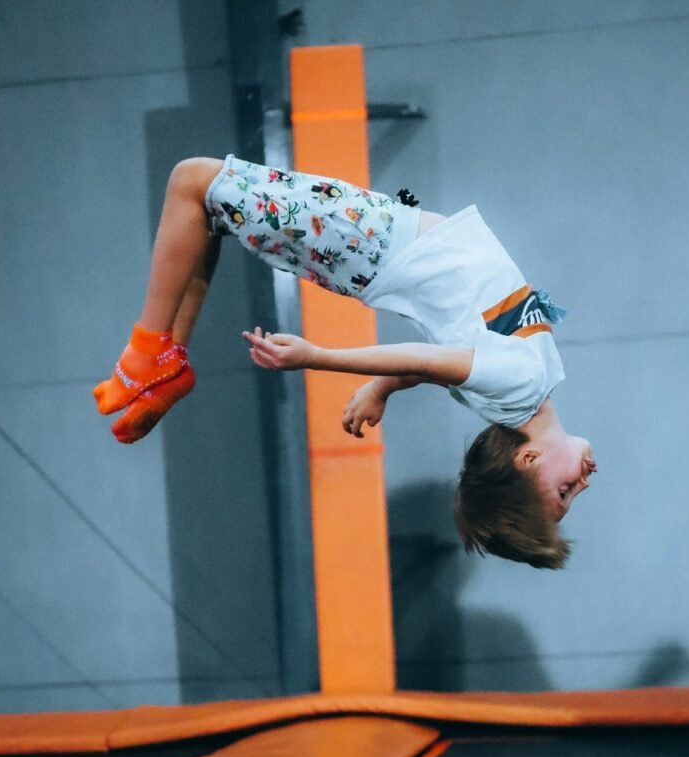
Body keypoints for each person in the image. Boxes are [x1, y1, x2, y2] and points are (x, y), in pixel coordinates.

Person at [94, 155, 596, 568]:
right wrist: (381, 389)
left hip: (373, 244)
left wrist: (319, 356)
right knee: (211, 210)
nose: (584, 481)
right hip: (376, 250)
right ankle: (167, 361)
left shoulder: (521, 386)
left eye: (566, 490)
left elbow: (423, 357)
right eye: (572, 493)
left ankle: (149, 349)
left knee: (192, 180)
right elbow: (430, 364)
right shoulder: (524, 394)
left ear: (527, 460)